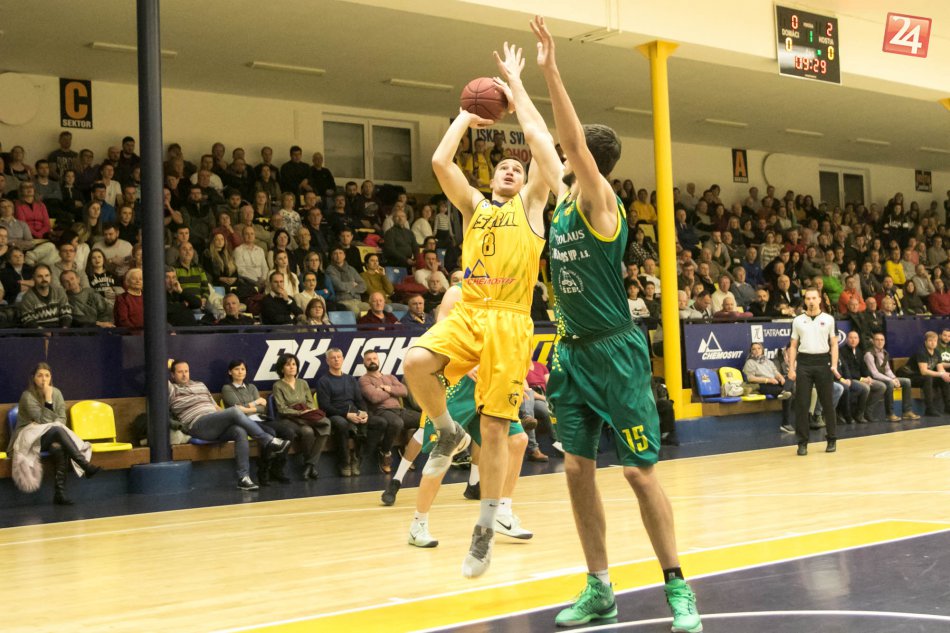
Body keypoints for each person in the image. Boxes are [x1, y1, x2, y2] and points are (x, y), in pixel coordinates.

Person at [530, 17, 701, 629]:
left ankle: (678, 587)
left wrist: (552, 69)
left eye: (569, 152)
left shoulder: (602, 203)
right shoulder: (561, 201)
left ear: (586, 161)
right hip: (571, 353)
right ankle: (599, 588)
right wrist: (517, 85)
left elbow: (566, 141)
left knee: (636, 472)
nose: (558, 155)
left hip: (615, 351)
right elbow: (541, 139)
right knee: (577, 469)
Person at [401, 41, 557, 579]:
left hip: (510, 322)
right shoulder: (474, 206)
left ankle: (487, 527)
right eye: (504, 166)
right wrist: (466, 117)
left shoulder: (532, 206)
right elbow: (440, 162)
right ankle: (446, 429)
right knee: (415, 363)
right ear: (491, 178)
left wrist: (518, 89)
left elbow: (541, 146)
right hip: (471, 311)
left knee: (497, 431)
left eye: (517, 167)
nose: (511, 169)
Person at [168, 359, 290, 489]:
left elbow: (215, 407)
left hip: (215, 421)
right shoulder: (172, 389)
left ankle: (243, 478)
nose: (184, 375)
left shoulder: (200, 385)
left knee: (239, 431)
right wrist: (166, 363)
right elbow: (157, 375)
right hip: (197, 424)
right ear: (172, 375)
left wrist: (227, 416)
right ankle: (268, 440)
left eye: (186, 371)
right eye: (180, 372)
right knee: (234, 411)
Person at [7, 363, 100, 505]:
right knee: (56, 429)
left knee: (58, 447)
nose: (44, 379)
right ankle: (85, 465)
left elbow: (62, 418)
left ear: (51, 378)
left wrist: (51, 421)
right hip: (27, 437)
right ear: (33, 378)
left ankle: (59, 494)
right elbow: (43, 420)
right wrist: (48, 400)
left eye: (47, 375)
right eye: (39, 375)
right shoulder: (27, 396)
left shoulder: (57, 393)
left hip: (49, 436)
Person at [317, 347, 388, 477]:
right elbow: (324, 406)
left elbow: (359, 400)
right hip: (336, 415)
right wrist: (346, 415)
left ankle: (358, 458)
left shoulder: (350, 379)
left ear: (343, 359)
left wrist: (364, 413)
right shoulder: (323, 381)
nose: (336, 360)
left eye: (339, 357)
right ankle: (344, 463)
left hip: (354, 413)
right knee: (342, 424)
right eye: (333, 357)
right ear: (327, 361)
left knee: (380, 422)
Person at [787, 288, 839, 456]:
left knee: (827, 403)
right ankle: (802, 443)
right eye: (808, 298)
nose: (811, 301)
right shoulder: (797, 320)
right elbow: (793, 345)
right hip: (804, 363)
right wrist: (791, 368)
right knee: (802, 404)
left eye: (814, 298)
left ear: (819, 300)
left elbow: (834, 344)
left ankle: (832, 439)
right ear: (805, 300)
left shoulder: (829, 319)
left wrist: (834, 364)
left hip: (823, 361)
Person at [221, 359, 289, 485]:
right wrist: (256, 403)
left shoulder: (252, 387)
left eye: (243, 369)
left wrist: (247, 408)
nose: (240, 372)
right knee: (270, 433)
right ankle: (263, 470)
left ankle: (277, 468)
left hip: (260, 418)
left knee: (287, 432)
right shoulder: (227, 388)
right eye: (236, 369)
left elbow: (262, 408)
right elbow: (236, 410)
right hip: (244, 422)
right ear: (230, 372)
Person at [270, 353, 330, 480]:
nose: (292, 367)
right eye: (288, 365)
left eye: (294, 364)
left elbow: (310, 403)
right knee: (308, 431)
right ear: (282, 369)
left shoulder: (303, 383)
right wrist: (298, 413)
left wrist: (307, 412)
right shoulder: (278, 385)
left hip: (306, 417)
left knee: (326, 423)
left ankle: (309, 464)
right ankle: (310, 465)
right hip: (288, 419)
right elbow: (282, 409)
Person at [358, 349, 419, 474]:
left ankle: (407, 448)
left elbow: (404, 391)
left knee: (426, 420)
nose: (372, 361)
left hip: (400, 410)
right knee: (397, 423)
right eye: (368, 359)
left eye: (374, 358)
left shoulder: (390, 377)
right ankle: (385, 452)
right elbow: (374, 397)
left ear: (378, 360)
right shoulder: (364, 380)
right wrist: (393, 391)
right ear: (364, 363)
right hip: (382, 411)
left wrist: (386, 389)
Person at [864, 332, 919, 422]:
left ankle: (907, 411)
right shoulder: (869, 354)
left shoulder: (885, 353)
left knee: (906, 381)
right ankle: (890, 414)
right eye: (877, 340)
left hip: (884, 378)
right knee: (889, 383)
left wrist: (894, 378)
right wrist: (891, 380)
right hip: (872, 379)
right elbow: (874, 373)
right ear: (873, 341)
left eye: (882, 340)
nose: (880, 342)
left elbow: (887, 370)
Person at [838, 331, 885, 424]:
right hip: (849, 379)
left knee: (881, 386)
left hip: (861, 378)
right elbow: (847, 371)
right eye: (851, 338)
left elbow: (864, 367)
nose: (853, 340)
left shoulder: (859, 351)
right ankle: (859, 414)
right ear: (846, 339)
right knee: (865, 388)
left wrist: (868, 376)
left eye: (855, 338)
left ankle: (867, 411)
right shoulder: (842, 351)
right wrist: (862, 379)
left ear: (858, 340)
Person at [903, 331, 950, 417]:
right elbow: (924, 371)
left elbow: (940, 369)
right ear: (925, 342)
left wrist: (946, 375)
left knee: (944, 379)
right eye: (930, 341)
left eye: (935, 341)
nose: (933, 343)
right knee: (928, 378)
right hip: (910, 376)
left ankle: (948, 406)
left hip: (922, 376)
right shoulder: (921, 352)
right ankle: (929, 409)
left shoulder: (936, 352)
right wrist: (941, 374)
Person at [18, 264, 72, 328]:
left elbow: (66, 313)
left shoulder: (59, 291)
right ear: (33, 277)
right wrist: (43, 332)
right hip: (39, 332)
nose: (44, 279)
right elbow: (28, 320)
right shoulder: (27, 297)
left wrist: (64, 329)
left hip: (60, 330)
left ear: (51, 276)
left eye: (47, 275)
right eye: (40, 276)